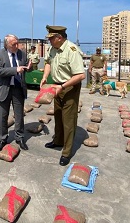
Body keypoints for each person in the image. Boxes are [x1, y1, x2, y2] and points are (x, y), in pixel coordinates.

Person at [40, 25, 85, 166]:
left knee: (68, 120)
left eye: (51, 38)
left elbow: (80, 75)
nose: (49, 41)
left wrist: (62, 86)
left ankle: (66, 152)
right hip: (56, 85)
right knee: (58, 115)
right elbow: (48, 62)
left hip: (69, 87)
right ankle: (58, 141)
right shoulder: (53, 49)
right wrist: (45, 76)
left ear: (59, 38)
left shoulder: (72, 50)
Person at [0, 34, 30, 152]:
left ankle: (20, 137)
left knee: (19, 116)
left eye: (17, 43)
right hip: (3, 89)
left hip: (18, 88)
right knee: (2, 116)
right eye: (14, 44)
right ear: (7, 44)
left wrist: (30, 67)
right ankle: (2, 139)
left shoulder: (22, 54)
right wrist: (15, 70)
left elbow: (26, 68)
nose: (17, 46)